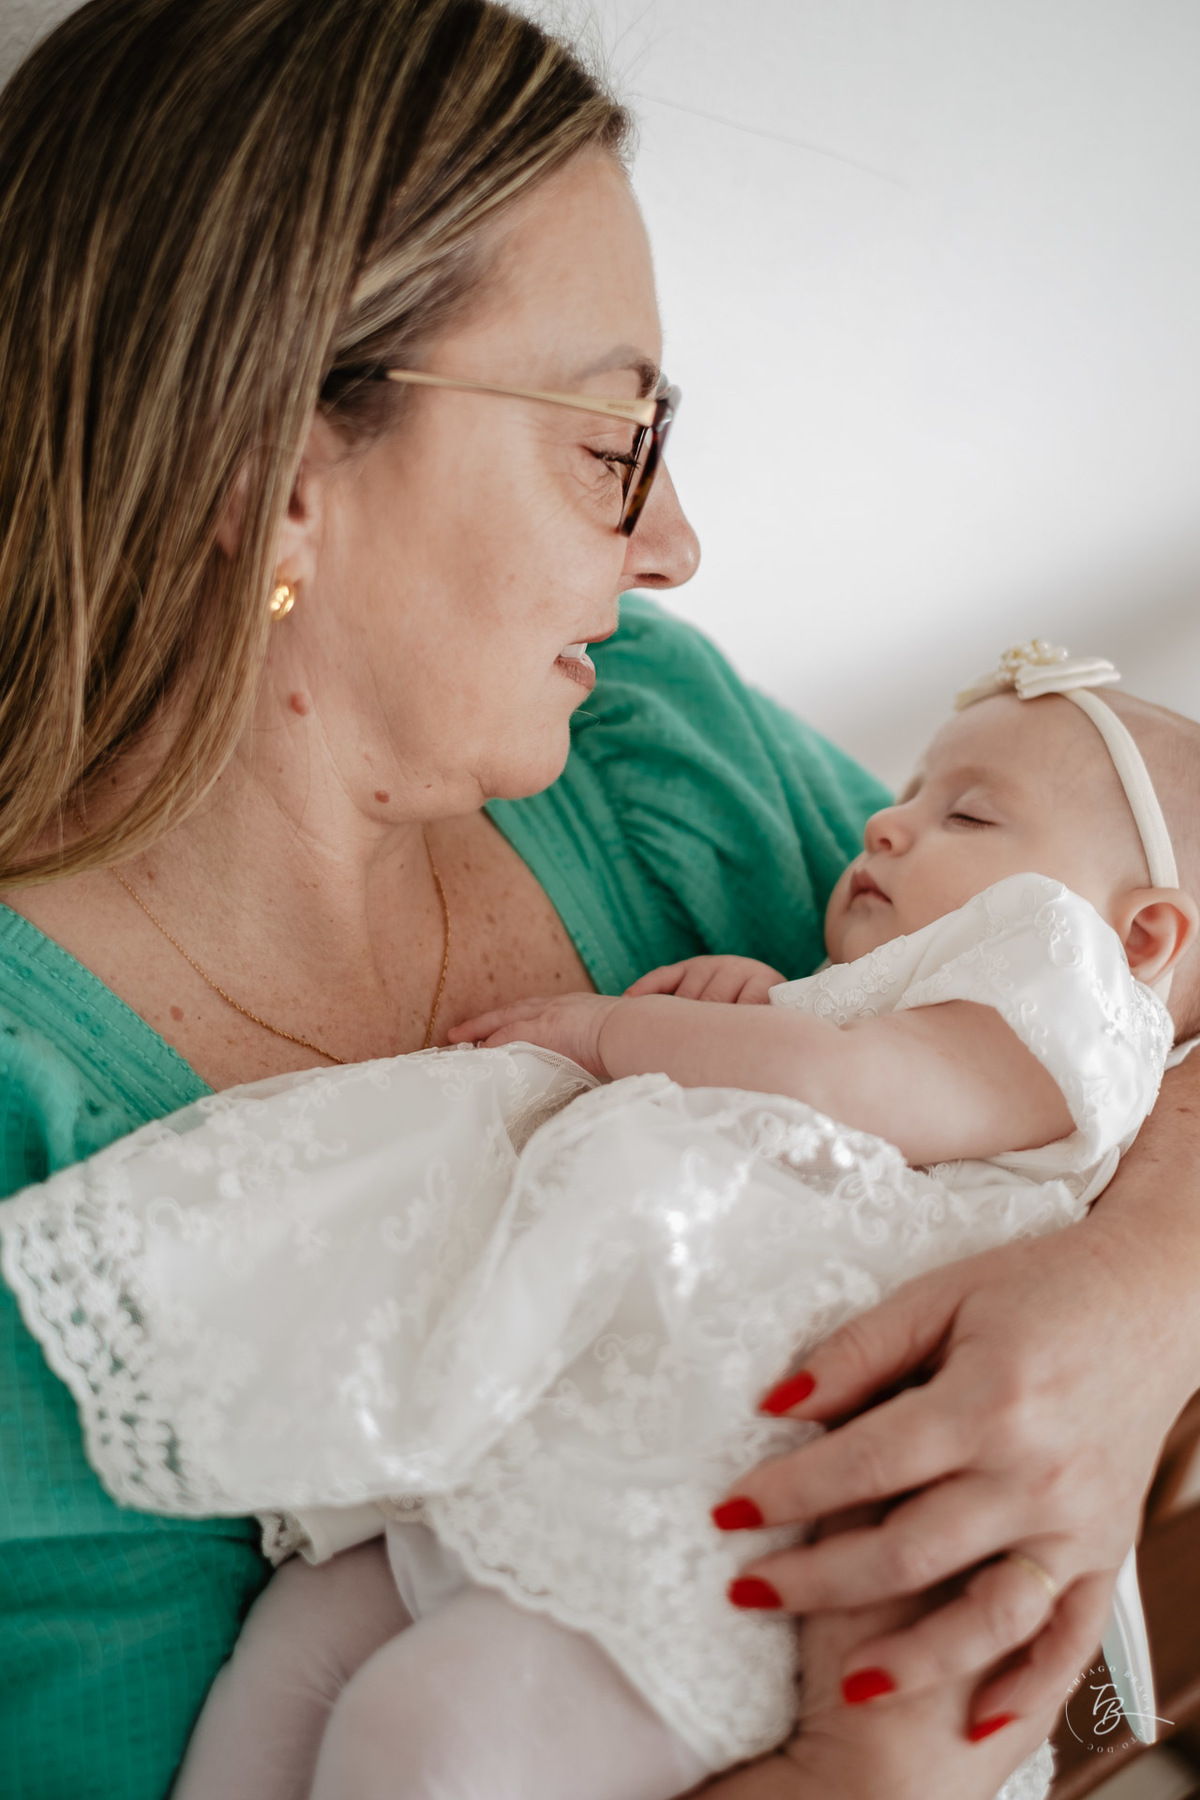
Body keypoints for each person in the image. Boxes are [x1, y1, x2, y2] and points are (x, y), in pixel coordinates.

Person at [0, 1, 1199, 1797]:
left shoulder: (653, 738)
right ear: (279, 472)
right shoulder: (48, 1179)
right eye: (610, 440)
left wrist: (1129, 1303)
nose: (674, 542)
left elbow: (1119, 1008)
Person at [6, 645, 1192, 1800]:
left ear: (1143, 936)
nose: (884, 826)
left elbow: (845, 1085)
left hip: (692, 1511)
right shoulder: (892, 1001)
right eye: (906, 796)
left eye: (969, 818)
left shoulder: (1075, 1013)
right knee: (291, 1658)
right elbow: (819, 1064)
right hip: (529, 1467)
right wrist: (750, 1007)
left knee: (423, 1734)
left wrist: (609, 1033)